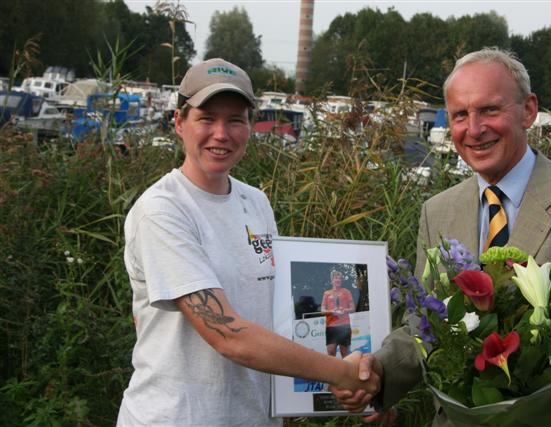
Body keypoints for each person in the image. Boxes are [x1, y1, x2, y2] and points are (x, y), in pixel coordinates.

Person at [332, 47, 551, 426]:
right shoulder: (438, 210)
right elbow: (424, 324)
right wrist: (377, 373)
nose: (474, 129)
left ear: (528, 110)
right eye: (460, 115)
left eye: (490, 110)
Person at [116, 58, 379, 427]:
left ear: (251, 126)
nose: (221, 134)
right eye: (206, 118)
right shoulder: (162, 210)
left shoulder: (255, 202)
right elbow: (228, 335)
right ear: (179, 122)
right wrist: (343, 373)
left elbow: (279, 317)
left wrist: (362, 386)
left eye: (235, 120)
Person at [321, 270, 356, 358]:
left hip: (344, 326)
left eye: (340, 278)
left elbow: (353, 308)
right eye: (336, 278)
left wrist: (344, 310)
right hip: (331, 326)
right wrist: (332, 311)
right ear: (332, 280)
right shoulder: (326, 293)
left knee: (345, 354)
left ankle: (346, 367)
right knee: (331, 352)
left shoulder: (346, 292)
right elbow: (322, 310)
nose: (338, 280)